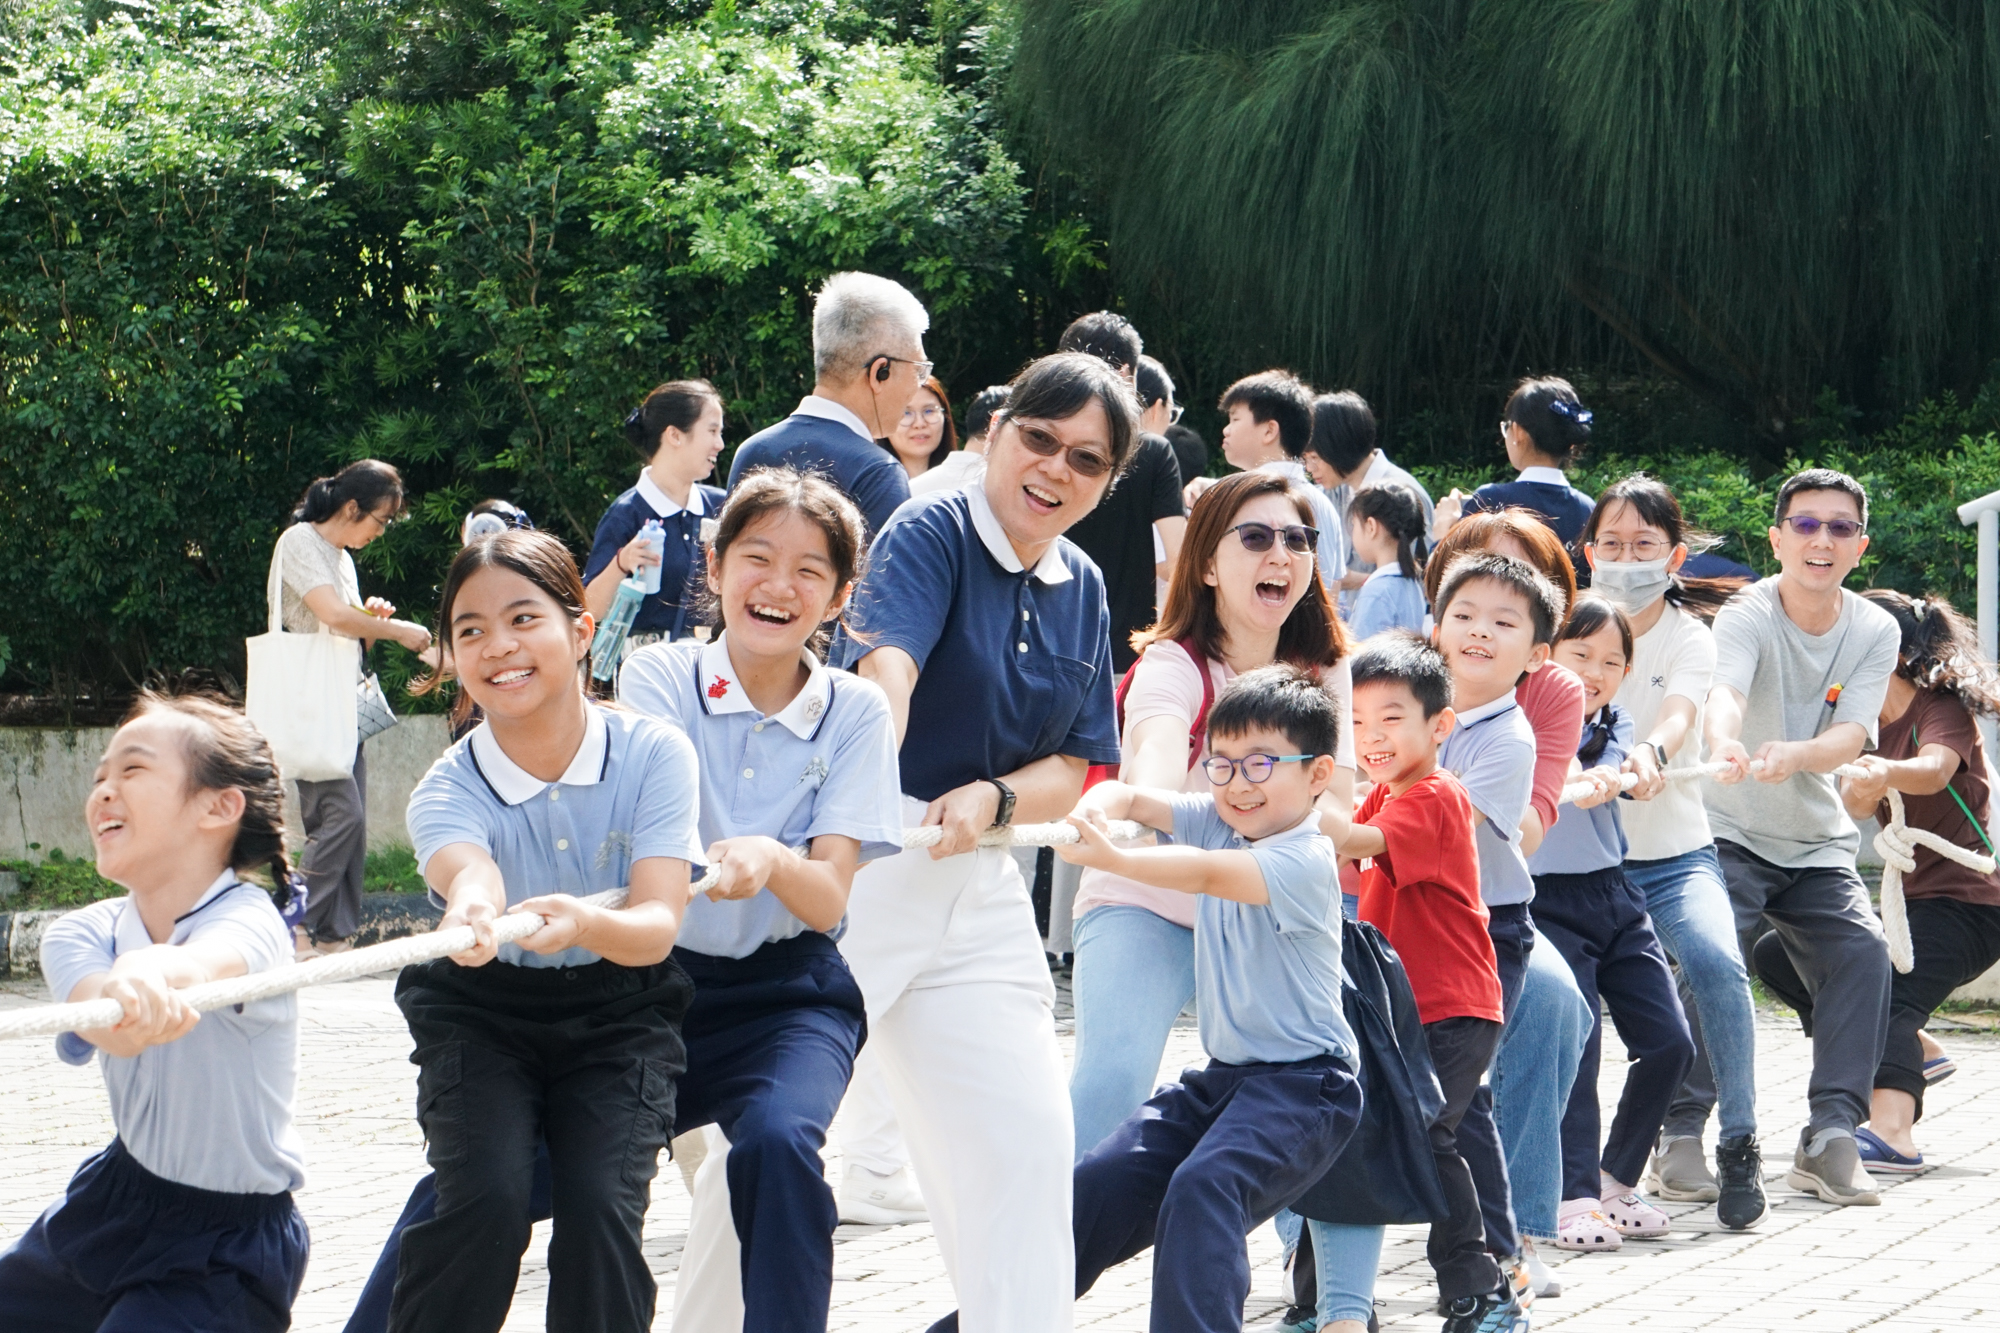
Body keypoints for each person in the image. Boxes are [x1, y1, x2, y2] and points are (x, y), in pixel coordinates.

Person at [830, 351, 1139, 1330]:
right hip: (869, 872)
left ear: (1107, 481)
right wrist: (877, 772)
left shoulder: (1082, 583)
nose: (1053, 469)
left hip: (980, 888)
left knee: (1026, 1153)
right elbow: (886, 667)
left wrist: (993, 797)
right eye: (1038, 439)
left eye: (1085, 460)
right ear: (995, 432)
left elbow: (1073, 762)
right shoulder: (928, 529)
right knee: (770, 1137)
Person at [390, 530, 703, 1332]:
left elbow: (658, 925)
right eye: (470, 631)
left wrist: (588, 922)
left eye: (523, 618)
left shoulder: (655, 755)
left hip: (621, 1010)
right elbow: (470, 873)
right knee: (486, 1200)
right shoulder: (444, 787)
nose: (498, 646)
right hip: (479, 1011)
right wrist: (472, 909)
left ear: (581, 629)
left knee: (601, 1210)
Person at [617, 468, 905, 1330]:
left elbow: (825, 901)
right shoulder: (657, 678)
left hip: (790, 996)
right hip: (649, 991)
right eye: (758, 557)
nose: (780, 586)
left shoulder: (853, 711)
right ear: (714, 562)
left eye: (811, 570)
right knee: (497, 1179)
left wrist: (773, 858)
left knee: (779, 1151)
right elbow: (650, 850)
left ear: (841, 595)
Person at [1045, 666, 1364, 1333]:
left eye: (1260, 763)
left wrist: (1117, 859)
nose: (1238, 783)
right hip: (1224, 1080)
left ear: (1316, 773)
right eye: (1220, 765)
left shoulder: (1305, 855)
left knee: (1203, 1188)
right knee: (1096, 1184)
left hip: (1308, 1089)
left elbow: (1206, 872)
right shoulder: (1223, 818)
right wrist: (1099, 807)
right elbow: (1134, 800)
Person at [1067, 470, 1355, 1159]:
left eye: (1297, 538)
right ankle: (1052, 1256)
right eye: (1254, 537)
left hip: (1267, 913)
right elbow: (1155, 756)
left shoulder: (1327, 670)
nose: (1280, 554)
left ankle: (1309, 1264)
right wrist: (1134, 805)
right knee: (1111, 1081)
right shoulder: (1173, 662)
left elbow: (1336, 808)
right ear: (1204, 564)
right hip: (1145, 899)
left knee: (1307, 1090)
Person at [0, 693, 308, 1332]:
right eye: (99, 777)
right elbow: (103, 1026)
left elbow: (205, 965)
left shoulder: (253, 922)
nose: (104, 791)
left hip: (228, 1243)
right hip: (116, 1198)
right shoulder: (81, 934)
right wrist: (124, 986)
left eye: (132, 771)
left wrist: (148, 972)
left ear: (219, 806)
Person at [1699, 468, 1899, 1207]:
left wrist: (1798, 754)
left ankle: (1830, 1138)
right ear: (1778, 538)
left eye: (1840, 527)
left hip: (1815, 841)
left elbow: (1853, 732)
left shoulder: (1875, 627)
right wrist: (1726, 742)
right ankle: (1682, 1132)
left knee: (1863, 953)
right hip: (1729, 829)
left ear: (1860, 547)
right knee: (1712, 958)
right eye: (1807, 524)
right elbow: (1726, 692)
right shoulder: (1747, 612)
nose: (1822, 539)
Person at [1577, 475, 1766, 1229]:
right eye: (1613, 544)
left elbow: (1683, 711)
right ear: (1588, 551)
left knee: (1719, 965)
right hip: (1581, 864)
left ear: (1675, 555)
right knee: (1572, 1016)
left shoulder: (1691, 635)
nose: (1626, 558)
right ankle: (1572, 1173)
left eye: (1644, 545)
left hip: (1676, 855)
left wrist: (1649, 752)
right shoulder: (1565, 624)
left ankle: (1742, 1139)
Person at [1757, 591, 2000, 1175]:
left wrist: (1886, 771)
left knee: (1879, 988)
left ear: (1883, 649)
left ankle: (1894, 1133)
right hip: (1914, 901)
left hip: (1970, 903)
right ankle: (1915, 1052)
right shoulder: (1863, 719)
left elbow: (1936, 768)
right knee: (1780, 956)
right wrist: (1862, 784)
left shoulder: (1937, 708)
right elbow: (1857, 801)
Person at [1320, 633, 1518, 1333]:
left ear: (1440, 724)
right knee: (1366, 1132)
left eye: (1390, 718)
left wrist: (1292, 799)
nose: (1372, 736)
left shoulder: (1434, 795)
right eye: (1359, 722)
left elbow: (1352, 843)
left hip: (1453, 1006)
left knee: (1425, 1136)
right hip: (1403, 1011)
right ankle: (1330, 1297)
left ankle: (1483, 1288)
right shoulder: (1382, 794)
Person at [1423, 512, 1595, 1287]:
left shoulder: (1543, 697)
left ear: (1540, 638)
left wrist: (1380, 825)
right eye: (1467, 599)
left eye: (1509, 608)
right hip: (1397, 908)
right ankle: (1316, 1249)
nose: (1482, 625)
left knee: (1459, 1088)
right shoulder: (1396, 671)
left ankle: (1508, 1242)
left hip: (1490, 911)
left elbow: (1522, 826)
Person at [1528, 598, 1695, 1251]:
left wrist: (1636, 776)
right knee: (1580, 1043)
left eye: (1611, 660)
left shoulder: (1616, 719)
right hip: (1545, 902)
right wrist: (1579, 778)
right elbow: (1552, 768)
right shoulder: (1527, 717)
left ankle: (1613, 1179)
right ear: (1548, 655)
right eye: (1581, 654)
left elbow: (1628, 771)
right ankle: (1569, 1197)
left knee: (1670, 1041)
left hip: (1614, 896)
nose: (1595, 671)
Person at [271, 459, 434, 959]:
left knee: (351, 822)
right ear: (350, 507)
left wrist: (372, 622)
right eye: (380, 520)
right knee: (340, 815)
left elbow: (349, 631)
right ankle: (289, 921)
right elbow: (331, 617)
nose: (380, 532)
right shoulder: (300, 542)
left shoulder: (342, 556)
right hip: (311, 702)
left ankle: (335, 934)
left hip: (340, 699)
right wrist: (399, 630)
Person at [726, 271, 928, 537]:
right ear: (881, 371)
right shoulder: (877, 473)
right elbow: (884, 579)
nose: (919, 385)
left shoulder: (752, 451)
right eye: (919, 370)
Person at [1057, 315, 1188, 674]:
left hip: (1044, 641)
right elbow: (1180, 560)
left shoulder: (1043, 447)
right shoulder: (1154, 452)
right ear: (1128, 374)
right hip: (1123, 654)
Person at [583, 380, 729, 648]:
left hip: (711, 668)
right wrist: (621, 563)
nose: (720, 444)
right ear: (674, 435)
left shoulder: (722, 506)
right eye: (712, 431)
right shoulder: (626, 514)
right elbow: (589, 609)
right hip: (645, 672)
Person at [1190, 370, 1346, 593]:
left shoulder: (1237, 499)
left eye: (1234, 418)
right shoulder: (1323, 503)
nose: (1226, 429)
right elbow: (1333, 589)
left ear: (1269, 430)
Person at [1305, 390, 1434, 602]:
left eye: (1315, 457)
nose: (1309, 468)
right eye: (1305, 458)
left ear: (1339, 447)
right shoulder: (1333, 489)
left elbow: (1423, 580)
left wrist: (1356, 580)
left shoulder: (1404, 494)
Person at [1438, 379, 1597, 548]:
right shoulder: (1588, 509)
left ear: (1517, 431)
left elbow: (1450, 571)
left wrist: (1441, 533)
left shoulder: (1489, 500)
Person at [1346, 481, 1432, 638]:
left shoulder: (1377, 591)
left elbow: (1359, 657)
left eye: (1354, 525)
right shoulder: (1412, 583)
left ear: (1371, 527)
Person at [910, 384, 1008, 498]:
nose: (919, 424)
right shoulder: (1003, 493)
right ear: (995, 423)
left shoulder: (912, 488)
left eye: (929, 411)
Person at [884, 375, 957, 479]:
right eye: (906, 413)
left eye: (929, 411)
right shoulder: (866, 487)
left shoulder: (964, 485)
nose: (919, 424)